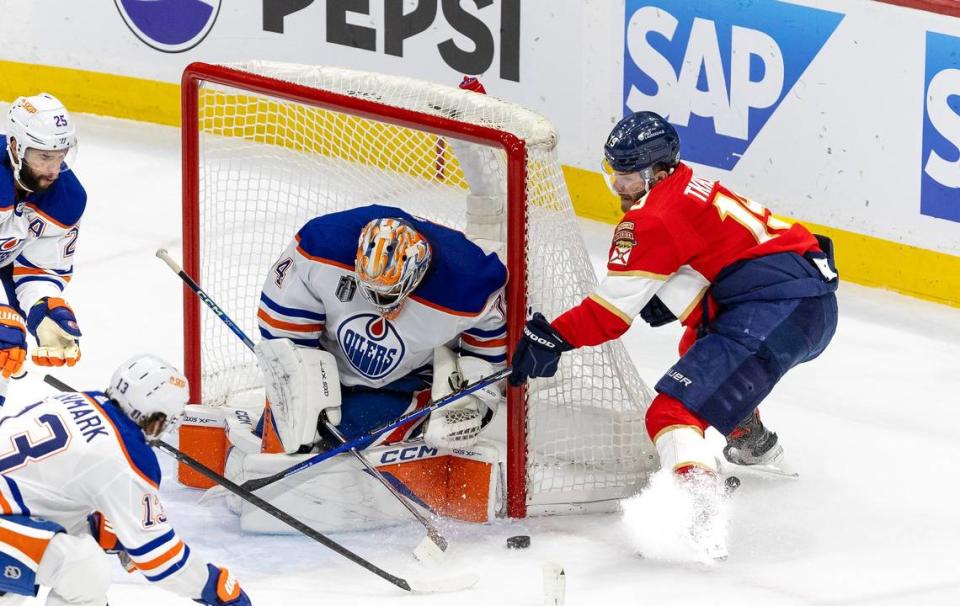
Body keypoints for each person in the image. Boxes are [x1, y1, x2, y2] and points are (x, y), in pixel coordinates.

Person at [508, 111, 838, 556]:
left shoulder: (651, 219)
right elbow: (725, 248)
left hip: (780, 309)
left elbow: (607, 316)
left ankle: (700, 512)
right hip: (799, 297)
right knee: (696, 350)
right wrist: (689, 292)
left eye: (628, 176)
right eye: (614, 175)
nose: (619, 188)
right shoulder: (685, 184)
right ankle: (751, 438)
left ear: (659, 170)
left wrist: (554, 337)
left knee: (672, 412)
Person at [254, 204, 507, 456]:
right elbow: (285, 337)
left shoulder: (468, 283)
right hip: (327, 369)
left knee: (335, 446)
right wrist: (303, 389)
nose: (381, 306)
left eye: (389, 295)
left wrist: (470, 397)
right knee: (283, 439)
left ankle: (417, 408)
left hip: (406, 384)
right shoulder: (321, 248)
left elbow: (489, 354)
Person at [0, 354, 251, 605]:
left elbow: (37, 489)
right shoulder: (127, 455)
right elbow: (158, 556)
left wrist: (91, 526)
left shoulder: (78, 398)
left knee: (50, 555)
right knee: (84, 567)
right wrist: (213, 586)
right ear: (159, 417)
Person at [0, 93, 86, 404]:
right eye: (43, 158)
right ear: (15, 148)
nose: (53, 169)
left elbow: (38, 268)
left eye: (60, 156)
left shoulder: (66, 198)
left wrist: (43, 305)